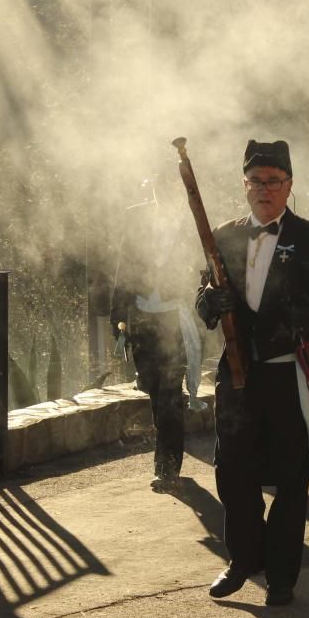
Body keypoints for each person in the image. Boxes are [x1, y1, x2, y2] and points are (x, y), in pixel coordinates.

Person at [196, 140, 309, 606]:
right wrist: (210, 304)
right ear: (244, 185)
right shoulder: (221, 238)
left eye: (274, 181)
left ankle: (283, 576)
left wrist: (305, 318)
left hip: (291, 378)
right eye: (256, 181)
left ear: (289, 186)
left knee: (290, 480)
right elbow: (202, 294)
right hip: (237, 376)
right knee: (233, 474)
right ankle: (244, 560)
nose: (264, 189)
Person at [110, 196, 202, 489]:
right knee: (153, 389)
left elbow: (199, 270)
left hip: (173, 320)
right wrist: (118, 320)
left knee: (170, 393)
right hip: (142, 321)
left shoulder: (188, 220)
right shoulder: (135, 215)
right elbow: (123, 271)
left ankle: (168, 466)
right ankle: (166, 458)